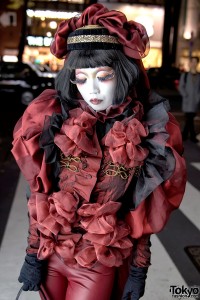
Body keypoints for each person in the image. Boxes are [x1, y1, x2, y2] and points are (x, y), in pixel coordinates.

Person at [12, 4, 186, 300]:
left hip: (97, 262)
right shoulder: (58, 121)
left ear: (122, 74)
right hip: (51, 253)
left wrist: (138, 269)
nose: (91, 89)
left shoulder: (146, 132)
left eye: (103, 76)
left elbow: (142, 209)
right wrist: (32, 255)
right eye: (82, 78)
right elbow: (41, 193)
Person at [178, 56, 200, 143]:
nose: (193, 64)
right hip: (187, 101)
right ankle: (192, 136)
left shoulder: (199, 76)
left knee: (189, 119)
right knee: (189, 118)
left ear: (197, 63)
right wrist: (185, 95)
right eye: (192, 62)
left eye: (195, 62)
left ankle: (185, 135)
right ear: (190, 63)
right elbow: (181, 87)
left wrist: (198, 97)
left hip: (195, 101)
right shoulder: (185, 75)